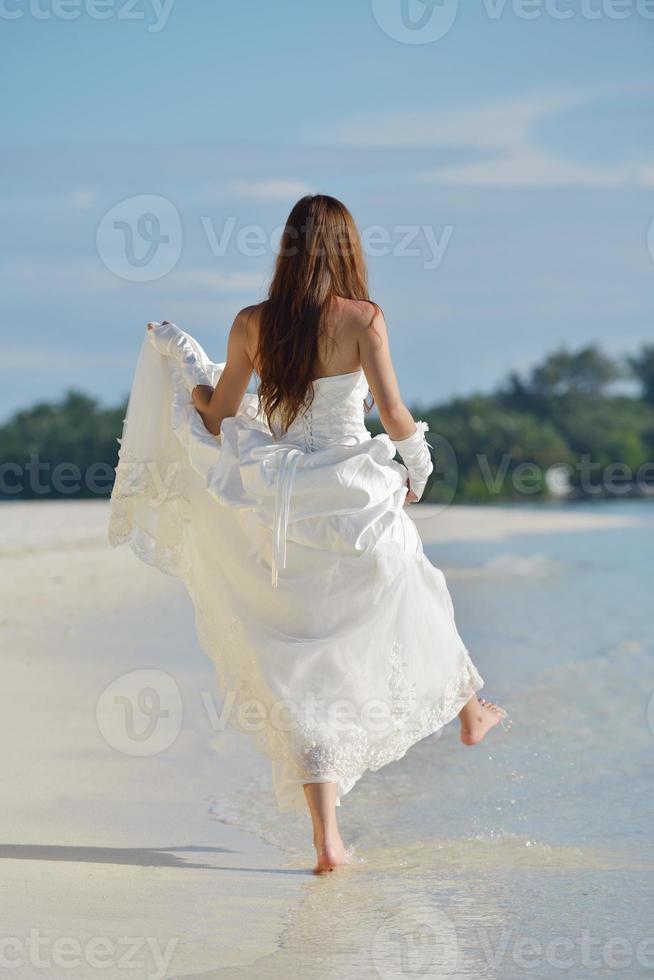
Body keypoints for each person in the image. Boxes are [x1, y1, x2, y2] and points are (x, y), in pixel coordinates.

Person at [110, 194, 507, 875]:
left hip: (282, 511)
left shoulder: (251, 324)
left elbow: (219, 417)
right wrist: (419, 466)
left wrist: (190, 376)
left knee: (303, 674)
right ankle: (470, 712)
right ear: (346, 248)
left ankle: (327, 840)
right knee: (419, 592)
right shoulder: (363, 319)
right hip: (351, 499)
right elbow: (391, 409)